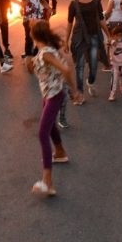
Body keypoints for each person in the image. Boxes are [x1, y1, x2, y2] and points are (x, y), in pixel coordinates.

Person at [25, 20, 78, 197]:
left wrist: (74, 91)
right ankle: (60, 152)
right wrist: (30, 65)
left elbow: (66, 69)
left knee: (42, 133)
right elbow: (41, 72)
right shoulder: (43, 52)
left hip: (54, 96)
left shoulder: (46, 53)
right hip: (48, 95)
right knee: (51, 126)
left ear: (33, 35)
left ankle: (48, 182)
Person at [67, 0, 109, 99]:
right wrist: (66, 41)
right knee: (79, 66)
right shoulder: (73, 4)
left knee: (94, 64)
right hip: (79, 38)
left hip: (94, 36)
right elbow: (69, 23)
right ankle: (79, 93)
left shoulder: (95, 1)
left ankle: (90, 82)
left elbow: (101, 19)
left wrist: (108, 35)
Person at [107, 25, 122, 101]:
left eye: (120, 35)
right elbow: (109, 41)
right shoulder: (112, 43)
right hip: (115, 65)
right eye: (116, 35)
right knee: (114, 80)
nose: (118, 37)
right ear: (113, 35)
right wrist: (112, 40)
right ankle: (112, 94)